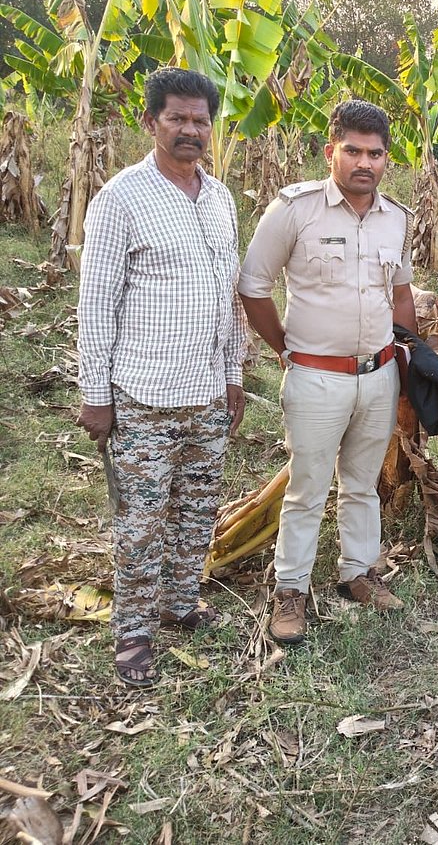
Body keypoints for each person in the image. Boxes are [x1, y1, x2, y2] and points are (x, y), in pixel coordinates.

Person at [76, 67, 248, 687]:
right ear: (150, 123)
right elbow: (96, 304)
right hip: (144, 394)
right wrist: (96, 396)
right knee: (141, 520)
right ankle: (133, 631)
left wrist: (233, 374)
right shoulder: (122, 198)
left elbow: (228, 296)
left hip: (206, 390)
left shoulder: (221, 198)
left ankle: (178, 604)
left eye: (201, 120)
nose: (190, 130)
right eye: (176, 118)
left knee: (197, 509)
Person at [239, 100, 418, 645]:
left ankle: (357, 572)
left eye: (376, 153)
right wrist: (286, 349)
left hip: (378, 374)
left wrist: (410, 361)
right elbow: (253, 285)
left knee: (362, 484)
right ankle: (290, 589)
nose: (365, 162)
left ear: (387, 158)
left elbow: (401, 293)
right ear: (331, 151)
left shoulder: (397, 219)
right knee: (308, 487)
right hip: (316, 376)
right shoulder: (295, 210)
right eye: (353, 151)